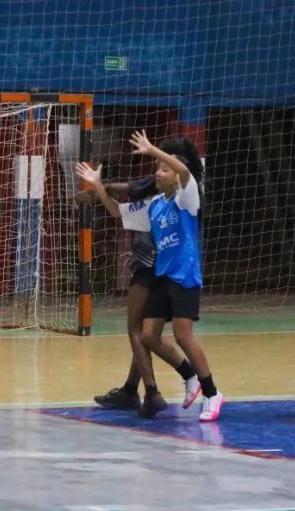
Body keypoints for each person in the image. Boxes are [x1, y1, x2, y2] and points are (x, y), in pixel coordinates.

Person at [76, 130, 224, 422]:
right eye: (158, 167)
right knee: (148, 336)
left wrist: (152, 148)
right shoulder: (154, 205)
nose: (158, 172)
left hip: (184, 277)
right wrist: (97, 186)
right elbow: (117, 212)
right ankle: (189, 374)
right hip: (161, 277)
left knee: (183, 335)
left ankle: (212, 393)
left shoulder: (187, 198)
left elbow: (183, 169)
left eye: (163, 169)